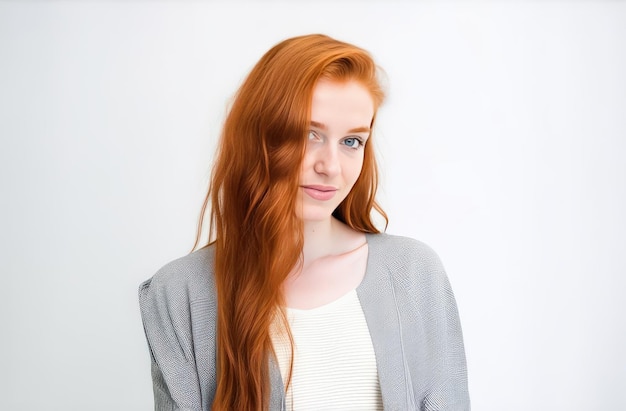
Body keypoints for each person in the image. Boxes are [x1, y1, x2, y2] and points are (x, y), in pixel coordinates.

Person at [139, 34, 470, 411]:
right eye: (309, 134)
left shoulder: (413, 273)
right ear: (259, 138)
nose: (329, 167)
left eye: (351, 142)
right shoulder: (181, 294)